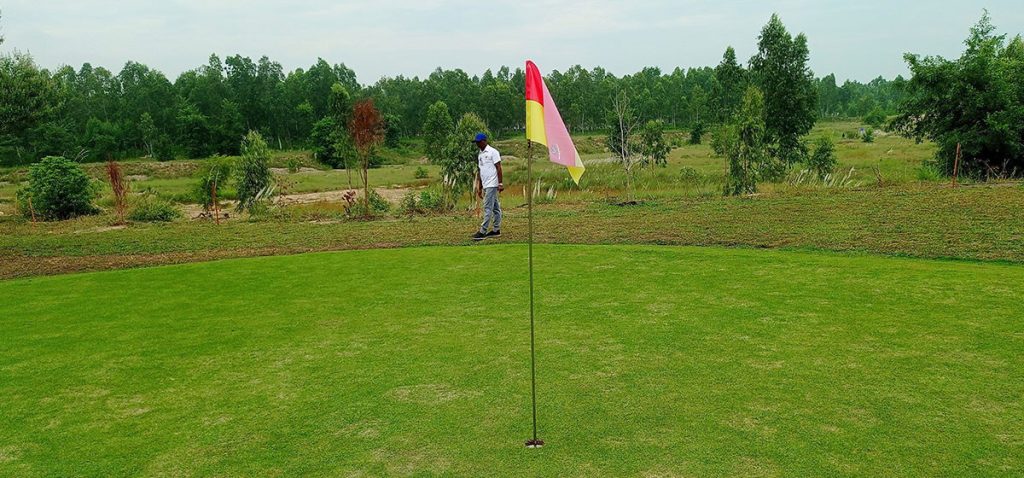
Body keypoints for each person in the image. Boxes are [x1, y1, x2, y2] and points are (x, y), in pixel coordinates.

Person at [472, 133, 503, 240]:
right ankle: (496, 230)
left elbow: (499, 167)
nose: (477, 144)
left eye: (479, 142)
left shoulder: (493, 152)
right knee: (495, 208)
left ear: (484, 141)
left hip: (492, 184)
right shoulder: (480, 154)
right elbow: (481, 171)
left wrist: (500, 183)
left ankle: (483, 231)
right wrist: (480, 187)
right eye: (476, 143)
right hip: (486, 184)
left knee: (487, 207)